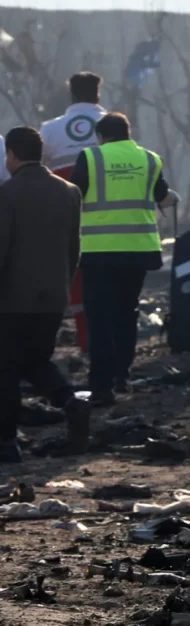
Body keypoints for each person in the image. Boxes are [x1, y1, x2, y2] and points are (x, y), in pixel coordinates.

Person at [71, 113, 178, 407]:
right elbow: (163, 196)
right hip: (137, 249)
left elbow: (74, 196)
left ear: (101, 136)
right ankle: (121, 375)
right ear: (128, 133)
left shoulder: (91, 157)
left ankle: (101, 386)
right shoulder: (150, 159)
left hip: (98, 250)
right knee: (126, 312)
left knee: (100, 317)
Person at [0, 127, 91, 462]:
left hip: (12, 298)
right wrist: (62, 285)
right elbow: (73, 248)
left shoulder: (7, 194)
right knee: (36, 361)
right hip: (52, 296)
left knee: (6, 369)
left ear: (12, 155)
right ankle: (71, 402)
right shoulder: (69, 192)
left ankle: (7, 443)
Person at [40, 72, 107, 354]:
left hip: (66, 217)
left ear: (71, 95)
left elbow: (38, 169)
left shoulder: (50, 129)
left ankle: (86, 343)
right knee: (107, 283)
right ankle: (107, 345)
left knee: (75, 281)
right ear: (97, 94)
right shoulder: (113, 125)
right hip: (108, 219)